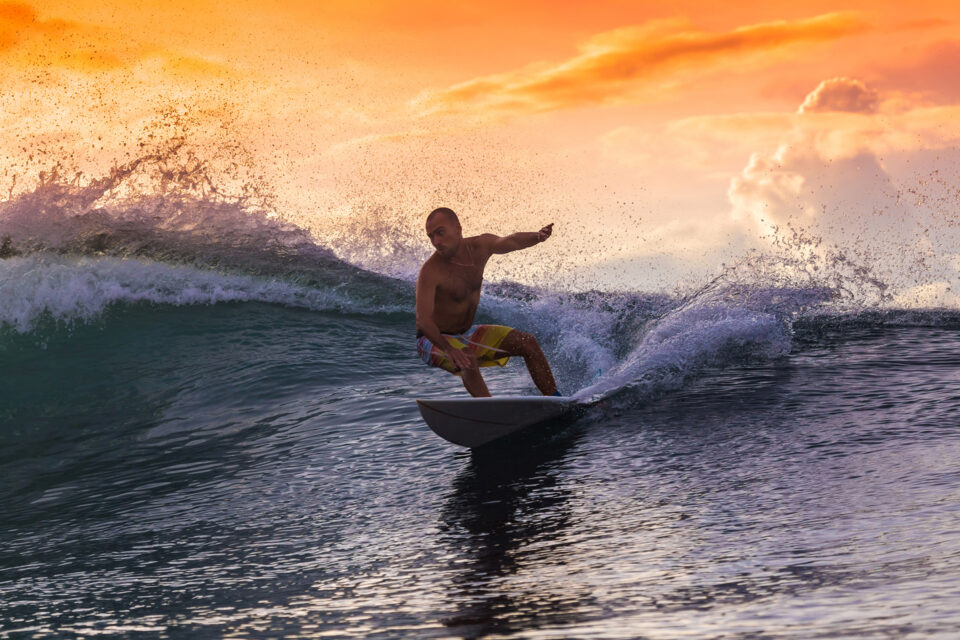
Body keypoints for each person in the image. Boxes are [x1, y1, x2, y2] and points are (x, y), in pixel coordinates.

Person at [415, 207, 559, 398]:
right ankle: (491, 413)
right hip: (433, 340)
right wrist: (448, 349)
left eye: (440, 233)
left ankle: (556, 400)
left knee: (528, 342)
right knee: (466, 356)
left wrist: (537, 237)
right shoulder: (431, 271)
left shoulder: (480, 246)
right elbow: (423, 320)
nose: (436, 242)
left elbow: (510, 240)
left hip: (465, 333)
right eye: (431, 237)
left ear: (458, 228)